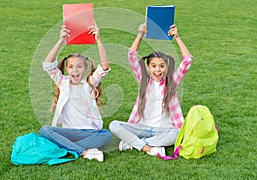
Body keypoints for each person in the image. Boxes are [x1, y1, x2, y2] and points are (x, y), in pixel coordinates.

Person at [109, 23, 193, 156]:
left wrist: (177, 37)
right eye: (153, 66)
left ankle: (135, 143)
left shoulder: (171, 82)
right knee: (114, 125)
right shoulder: (144, 80)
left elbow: (187, 60)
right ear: (148, 67)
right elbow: (131, 55)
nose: (158, 70)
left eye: (161, 66)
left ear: (166, 67)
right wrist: (140, 35)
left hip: (163, 130)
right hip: (143, 127)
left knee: (176, 134)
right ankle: (149, 147)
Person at [40, 23, 111, 162]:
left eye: (79, 66)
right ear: (66, 69)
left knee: (106, 135)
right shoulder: (62, 82)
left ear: (85, 68)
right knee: (45, 131)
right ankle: (83, 151)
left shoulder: (90, 83)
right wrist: (61, 40)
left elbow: (104, 66)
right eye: (71, 67)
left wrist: (99, 39)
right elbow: (48, 64)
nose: (75, 70)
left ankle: (65, 148)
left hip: (90, 132)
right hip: (70, 133)